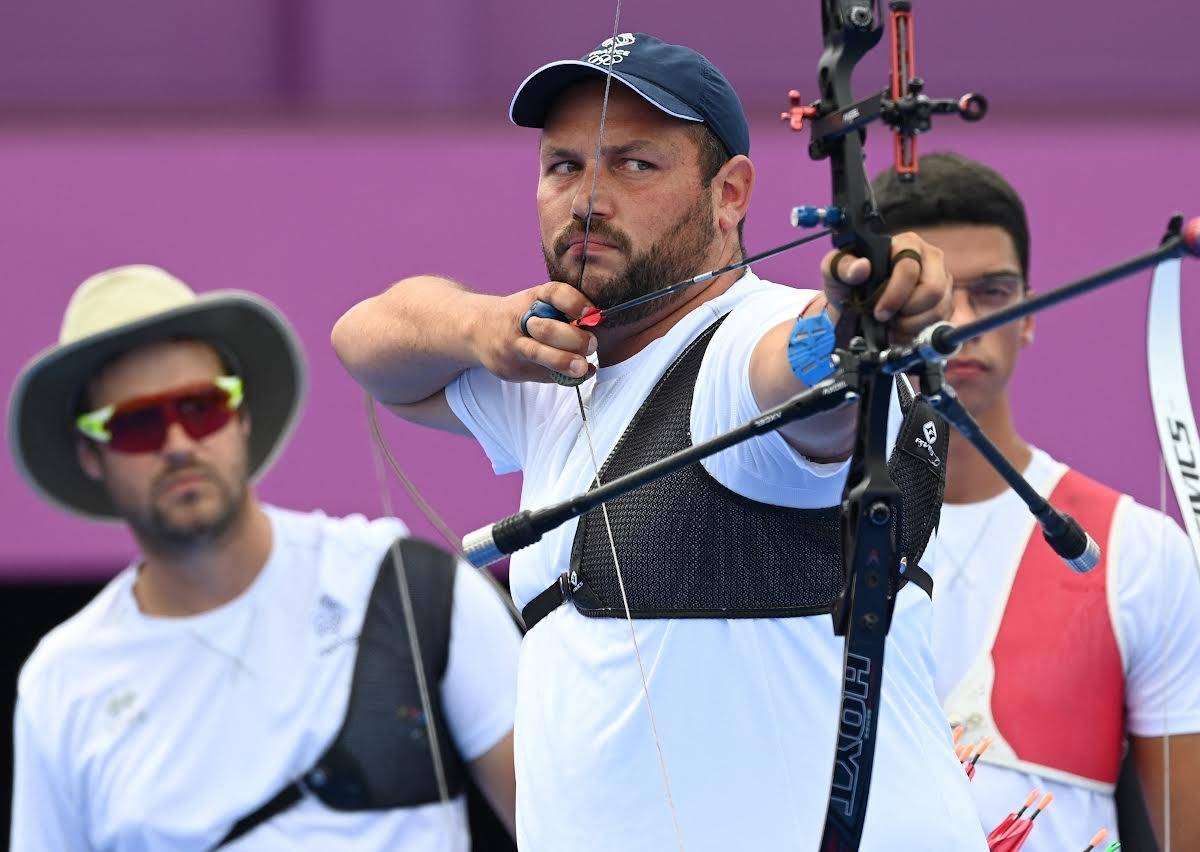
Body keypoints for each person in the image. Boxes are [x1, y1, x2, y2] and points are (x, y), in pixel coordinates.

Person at [333, 33, 986, 850]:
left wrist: (859, 313)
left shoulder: (740, 346)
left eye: (634, 165)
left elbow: (802, 378)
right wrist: (480, 326)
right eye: (563, 166)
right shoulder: (555, 368)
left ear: (730, 194)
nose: (587, 199)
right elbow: (365, 336)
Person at [8, 265, 521, 850]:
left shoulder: (411, 587)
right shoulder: (62, 680)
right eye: (137, 424)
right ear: (91, 455)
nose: (178, 445)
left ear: (241, 415)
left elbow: (564, 825)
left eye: (200, 407)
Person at [871, 152, 1200, 850]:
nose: (963, 321)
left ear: (1031, 314)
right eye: (935, 297)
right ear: (876, 315)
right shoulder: (786, 524)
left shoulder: (1138, 551)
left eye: (996, 292)